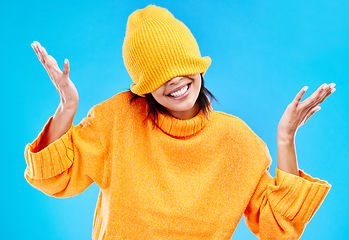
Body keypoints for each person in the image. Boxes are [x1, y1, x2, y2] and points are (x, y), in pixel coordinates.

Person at [25, 4, 335, 240]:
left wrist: (286, 137)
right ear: (144, 86)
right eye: (158, 73)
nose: (174, 80)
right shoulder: (118, 120)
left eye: (181, 66)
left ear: (198, 66)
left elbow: (279, 225)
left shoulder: (236, 141)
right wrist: (67, 107)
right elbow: (54, 178)